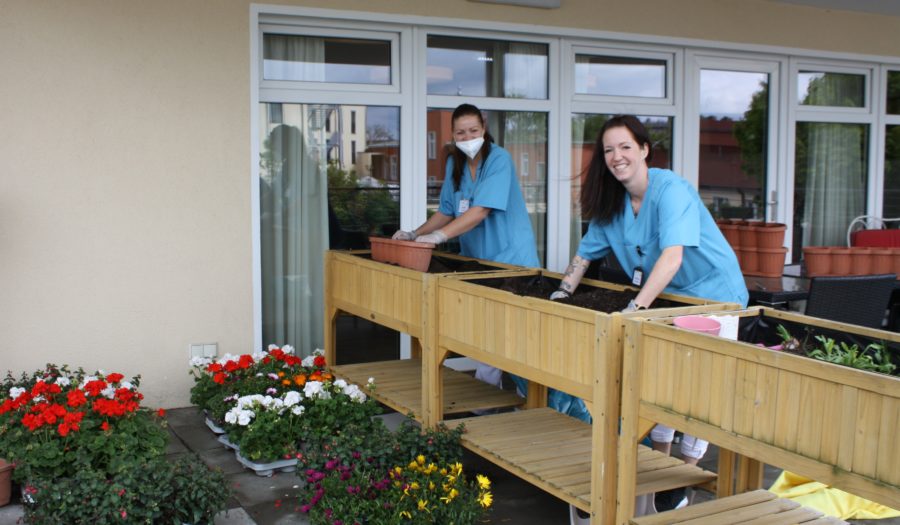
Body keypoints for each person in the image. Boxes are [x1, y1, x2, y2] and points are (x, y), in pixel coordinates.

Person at [552, 115, 748, 520]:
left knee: (697, 393)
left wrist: (637, 309)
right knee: (657, 387)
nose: (616, 157)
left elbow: (672, 256)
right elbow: (585, 254)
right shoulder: (613, 203)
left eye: (625, 147)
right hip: (665, 300)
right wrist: (562, 292)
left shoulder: (670, 189)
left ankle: (682, 482)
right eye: (608, 150)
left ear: (644, 149)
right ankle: (654, 480)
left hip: (713, 297)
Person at [392, 103, 539, 390]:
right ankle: (489, 399)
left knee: (514, 335)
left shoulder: (499, 160)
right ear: (452, 134)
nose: (467, 137)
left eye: (473, 130)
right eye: (460, 132)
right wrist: (415, 233)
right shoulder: (454, 164)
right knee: (487, 330)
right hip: (479, 262)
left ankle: (527, 400)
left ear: (484, 128)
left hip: (512, 260)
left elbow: (481, 210)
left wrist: (439, 238)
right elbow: (447, 210)